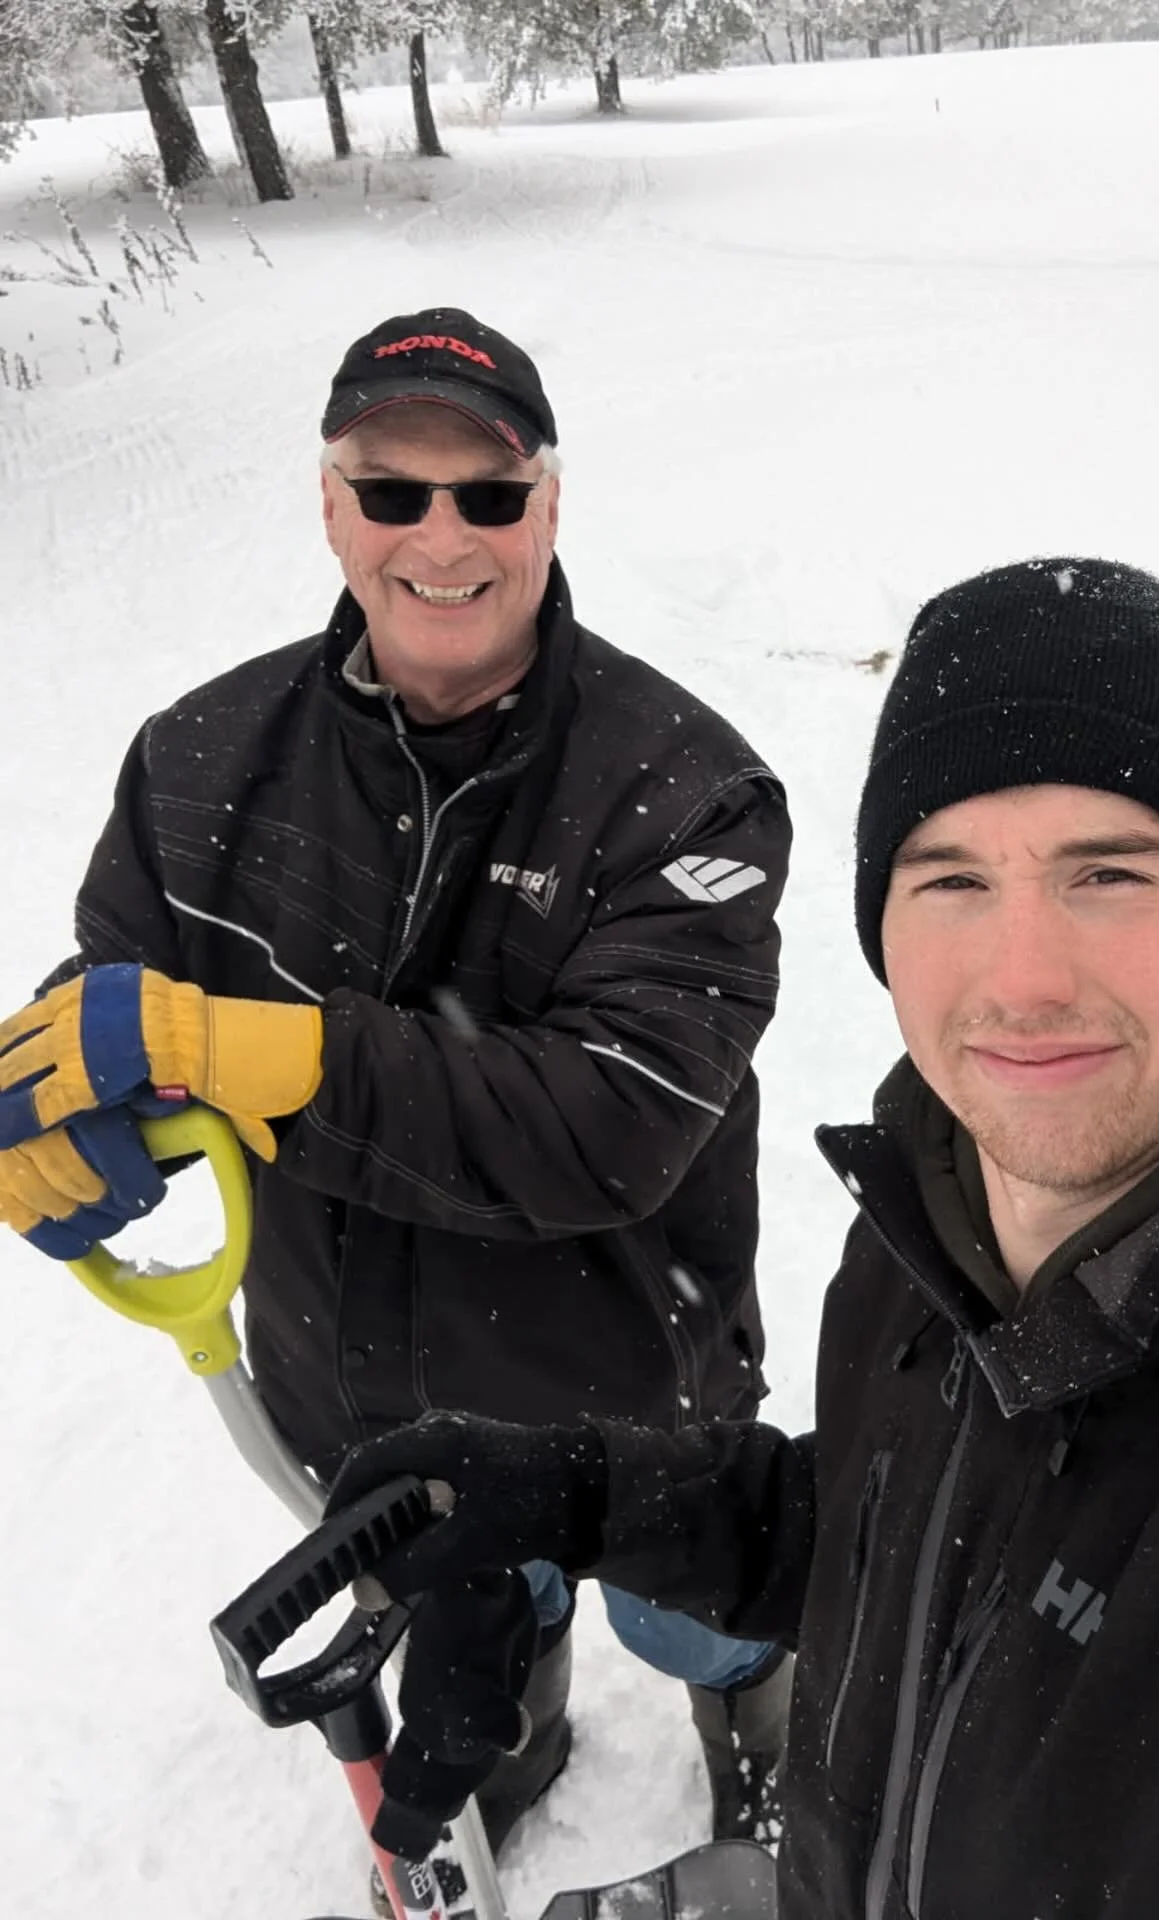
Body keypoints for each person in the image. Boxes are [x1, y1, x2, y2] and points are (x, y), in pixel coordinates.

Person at [330, 556, 1159, 1919]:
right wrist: (577, 1497)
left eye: (1110, 872)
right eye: (952, 879)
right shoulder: (941, 1219)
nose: (1023, 979)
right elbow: (906, 1534)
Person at [0, 308, 796, 1881]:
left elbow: (612, 1120)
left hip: (625, 1376)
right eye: (393, 491)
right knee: (470, 1593)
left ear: (550, 505)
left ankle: (753, 1725)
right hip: (343, 1376)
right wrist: (61, 1112)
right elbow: (109, 997)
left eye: (488, 497)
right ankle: (520, 1711)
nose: (443, 538)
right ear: (329, 502)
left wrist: (259, 1053)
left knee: (686, 1599)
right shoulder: (201, 761)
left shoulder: (686, 789)